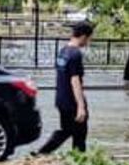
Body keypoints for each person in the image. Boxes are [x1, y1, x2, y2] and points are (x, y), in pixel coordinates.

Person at [38, 21, 93, 154]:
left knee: (67, 130)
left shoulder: (63, 51)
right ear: (84, 36)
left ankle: (42, 153)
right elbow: (75, 81)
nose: (89, 42)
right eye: (90, 38)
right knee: (80, 135)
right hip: (72, 101)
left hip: (61, 100)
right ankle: (79, 162)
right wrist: (81, 106)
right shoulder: (75, 54)